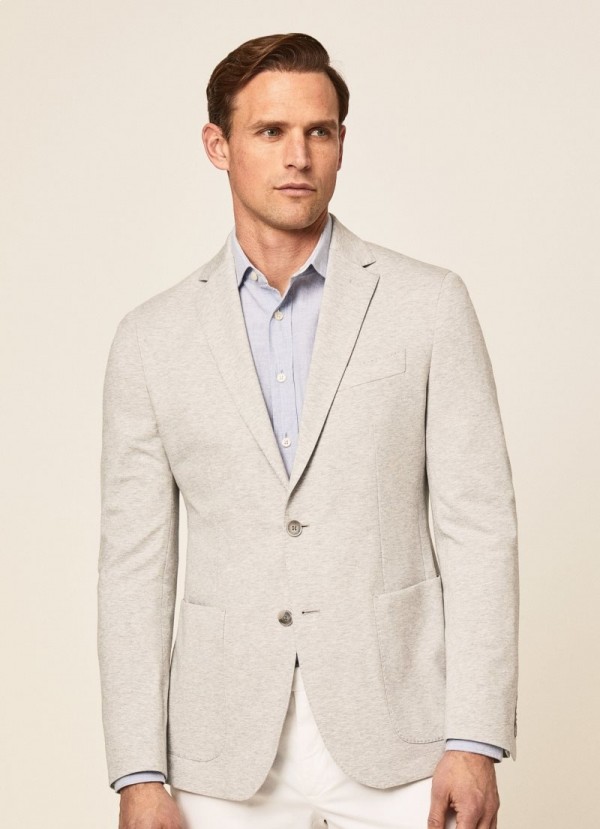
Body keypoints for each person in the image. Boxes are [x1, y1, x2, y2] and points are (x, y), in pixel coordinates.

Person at [97, 32, 519, 829]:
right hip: (221, 753)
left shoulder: (428, 305)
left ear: (341, 144)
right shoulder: (151, 340)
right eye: (271, 131)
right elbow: (134, 569)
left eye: (318, 131)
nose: (299, 156)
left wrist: (475, 737)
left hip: (405, 737)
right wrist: (139, 772)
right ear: (218, 146)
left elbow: (479, 527)